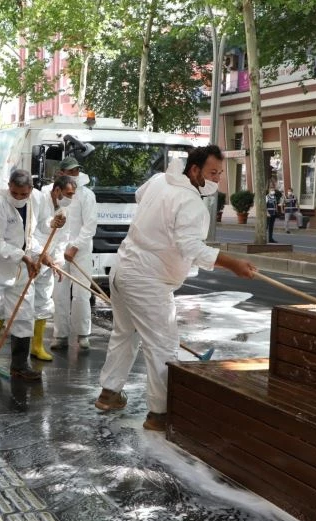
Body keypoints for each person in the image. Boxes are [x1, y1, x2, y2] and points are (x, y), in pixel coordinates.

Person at [94, 145, 256, 431]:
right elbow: (192, 247)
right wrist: (233, 264)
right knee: (162, 345)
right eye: (212, 172)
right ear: (194, 170)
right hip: (146, 280)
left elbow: (139, 195)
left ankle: (109, 393)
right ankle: (160, 413)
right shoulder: (190, 203)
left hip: (123, 269)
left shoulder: (159, 180)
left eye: (219, 173)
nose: (217, 179)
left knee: (125, 334)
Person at [0, 169, 65, 388]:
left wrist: (44, 251)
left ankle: (19, 365)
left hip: (20, 268)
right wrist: (25, 257)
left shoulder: (35, 200)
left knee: (23, 313)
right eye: (15, 193)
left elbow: (32, 235)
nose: (19, 198)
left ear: (30, 190)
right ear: (9, 186)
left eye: (23, 194)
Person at [0, 175, 77, 361]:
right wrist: (37, 255)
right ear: (57, 190)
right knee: (9, 301)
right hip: (28, 258)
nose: (70, 198)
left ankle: (36, 346)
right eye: (67, 194)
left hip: (47, 261)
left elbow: (60, 238)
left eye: (72, 195)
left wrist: (56, 262)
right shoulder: (37, 199)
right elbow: (30, 233)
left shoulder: (66, 210)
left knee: (41, 302)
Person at [51, 156, 98, 351]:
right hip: (59, 249)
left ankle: (82, 334)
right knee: (59, 293)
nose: (74, 175)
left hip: (81, 250)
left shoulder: (86, 195)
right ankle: (60, 335)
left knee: (81, 293)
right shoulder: (53, 193)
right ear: (61, 173)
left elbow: (90, 225)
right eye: (70, 171)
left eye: (76, 171)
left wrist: (75, 246)